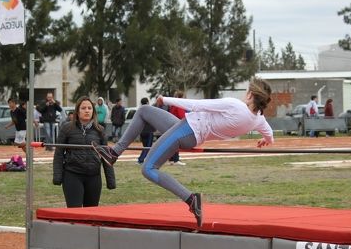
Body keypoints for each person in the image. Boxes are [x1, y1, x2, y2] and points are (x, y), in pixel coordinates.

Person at [95, 78, 275, 227]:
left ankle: (190, 199)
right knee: (143, 112)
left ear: (250, 94)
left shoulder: (235, 105)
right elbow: (270, 136)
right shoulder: (258, 120)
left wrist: (165, 100)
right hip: (189, 131)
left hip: (186, 131)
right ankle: (115, 153)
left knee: (148, 169)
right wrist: (265, 140)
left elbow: (197, 104)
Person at [53, 96, 115, 207]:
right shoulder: (67, 128)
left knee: (91, 215)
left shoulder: (100, 130)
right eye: (83, 108)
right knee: (75, 212)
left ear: (93, 111)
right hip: (72, 175)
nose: (87, 110)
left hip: (94, 176)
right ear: (77, 111)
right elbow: (59, 154)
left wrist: (111, 180)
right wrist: (57, 176)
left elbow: (106, 156)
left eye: (89, 108)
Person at [168, 91, 187, 165]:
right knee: (177, 143)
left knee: (172, 142)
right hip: (178, 125)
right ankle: (176, 160)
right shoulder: (179, 105)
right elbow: (182, 116)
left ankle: (171, 159)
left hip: (172, 125)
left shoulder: (173, 104)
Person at [137, 97, 155, 164]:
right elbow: (152, 120)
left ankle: (147, 160)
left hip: (142, 131)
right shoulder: (150, 110)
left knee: (146, 147)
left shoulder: (139, 110)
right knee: (148, 147)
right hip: (149, 131)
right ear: (147, 102)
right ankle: (140, 159)